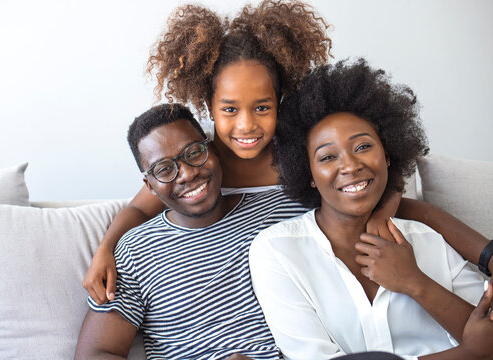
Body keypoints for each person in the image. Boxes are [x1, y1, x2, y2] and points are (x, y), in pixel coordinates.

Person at [83, 0, 492, 305]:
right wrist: (106, 249)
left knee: (410, 211)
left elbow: (386, 172)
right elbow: (139, 209)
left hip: (346, 248)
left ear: (281, 101)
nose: (246, 126)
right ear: (208, 107)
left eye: (262, 107)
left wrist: (380, 216)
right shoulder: (199, 160)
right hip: (291, 283)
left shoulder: (299, 144)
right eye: (229, 110)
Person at [75, 103, 405, 360]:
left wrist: (386, 211)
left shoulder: (286, 207)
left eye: (194, 153)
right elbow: (95, 353)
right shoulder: (135, 250)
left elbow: (368, 185)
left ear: (213, 149)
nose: (187, 173)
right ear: (149, 184)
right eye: (165, 169)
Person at [249, 59, 493, 360]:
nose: (350, 166)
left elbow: (486, 336)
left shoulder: (426, 238)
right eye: (327, 157)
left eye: (363, 147)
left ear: (387, 155)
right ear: (308, 174)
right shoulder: (278, 251)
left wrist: (415, 282)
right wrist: (467, 355)